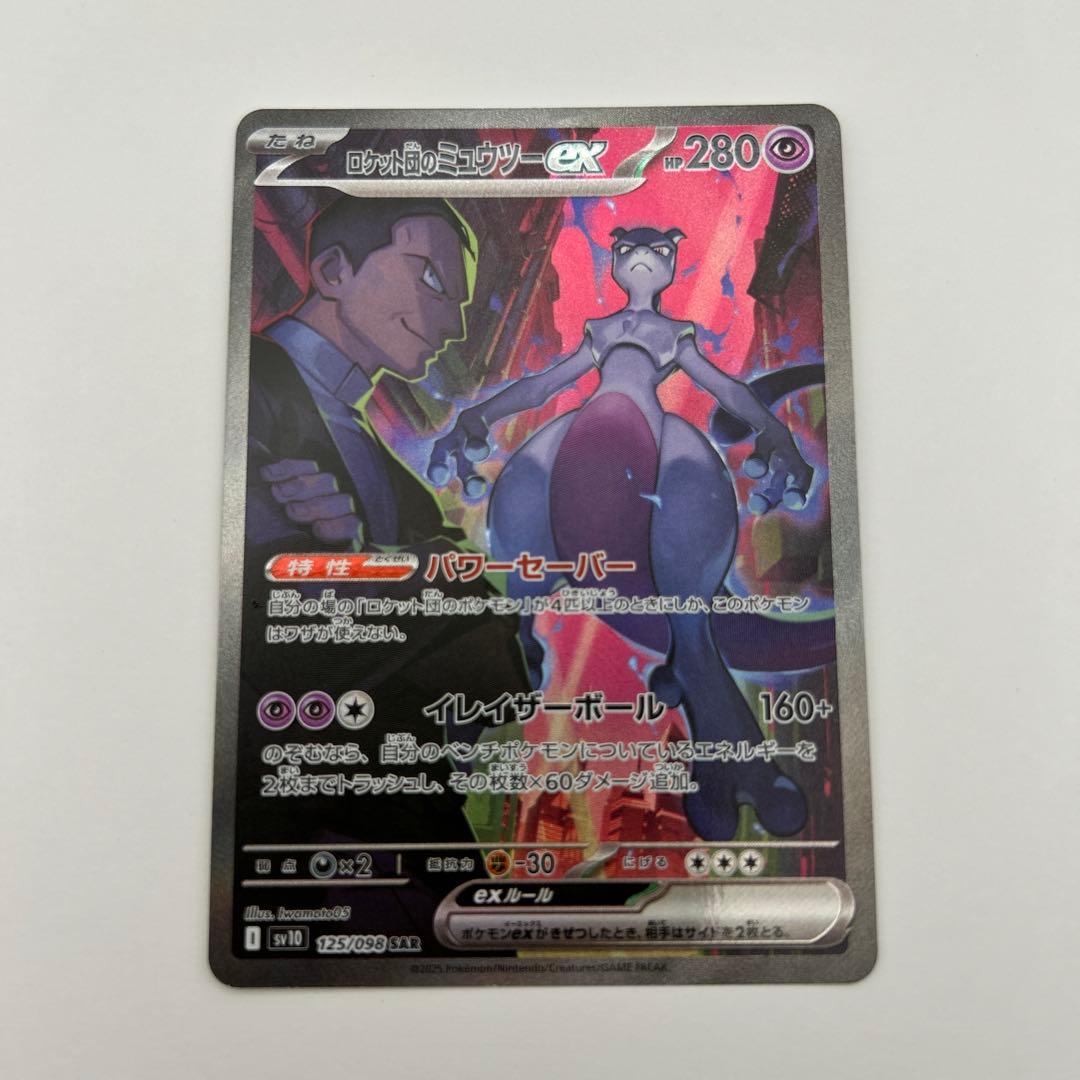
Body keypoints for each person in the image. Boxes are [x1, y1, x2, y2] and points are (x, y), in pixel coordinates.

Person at [236, 198, 529, 947]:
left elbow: (496, 663)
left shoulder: (391, 477)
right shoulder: (241, 388)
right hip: (285, 811)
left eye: (459, 302)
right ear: (334, 270)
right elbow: (260, 605)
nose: (451, 326)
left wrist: (370, 564)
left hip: (395, 807)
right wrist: (397, 576)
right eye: (429, 277)